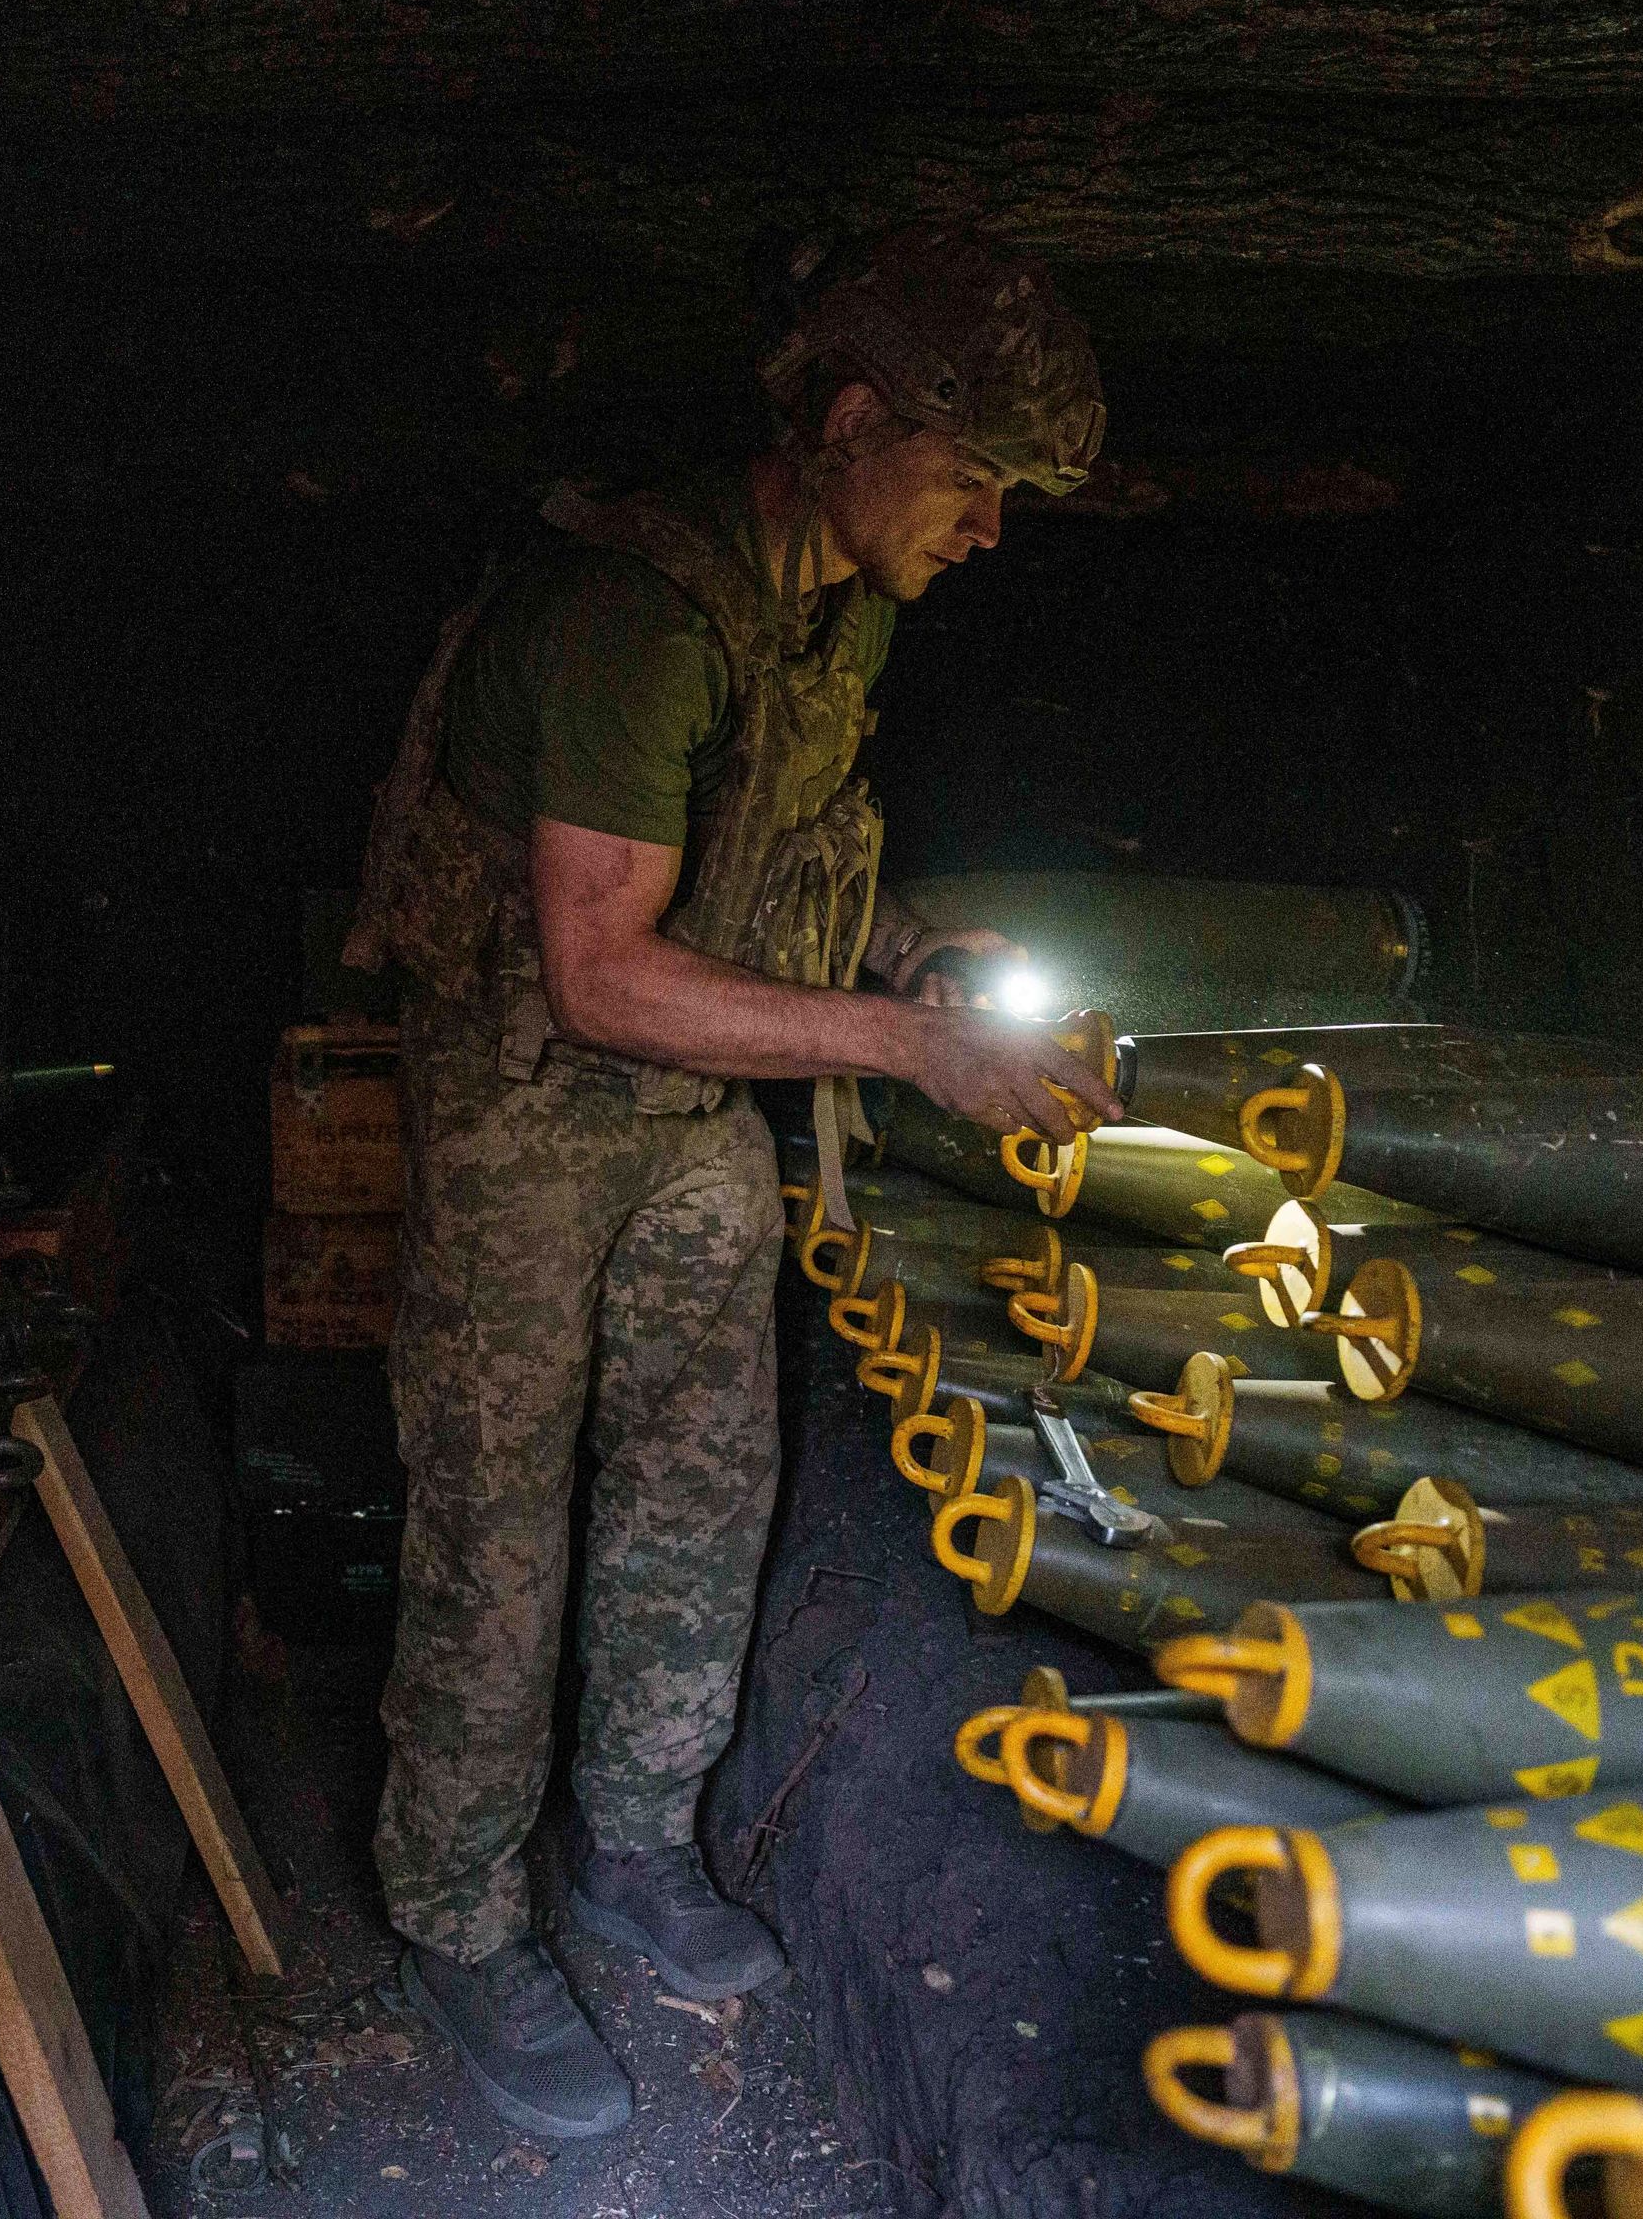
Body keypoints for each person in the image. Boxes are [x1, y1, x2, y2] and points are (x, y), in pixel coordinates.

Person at [340, 225, 1123, 2139]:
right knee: (497, 1533)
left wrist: (902, 971)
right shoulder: (631, 620)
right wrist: (911, 1053)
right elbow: (601, 974)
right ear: (855, 424)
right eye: (978, 481)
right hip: (539, 1113)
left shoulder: (834, 613)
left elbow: (765, 872)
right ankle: (454, 1910)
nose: (993, 535)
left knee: (699, 1500)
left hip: (699, 1115)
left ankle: (634, 1850)